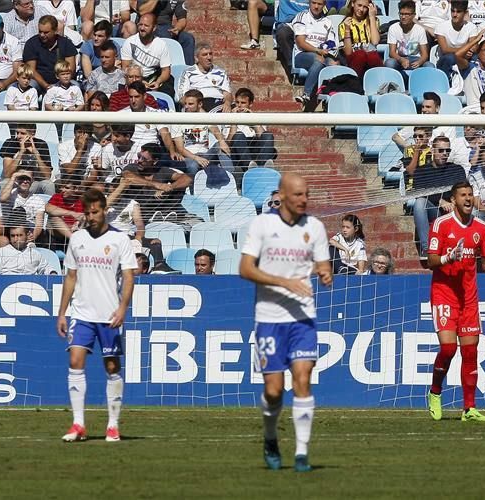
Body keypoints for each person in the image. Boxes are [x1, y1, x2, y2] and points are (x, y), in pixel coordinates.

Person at [239, 172, 333, 472]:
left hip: (302, 317)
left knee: (303, 380)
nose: (304, 199)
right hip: (269, 318)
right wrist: (284, 282)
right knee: (274, 391)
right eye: (297, 195)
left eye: (306, 194)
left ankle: (302, 453)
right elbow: (245, 269)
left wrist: (324, 272)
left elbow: (322, 263)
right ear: (282, 195)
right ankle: (270, 437)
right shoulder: (262, 224)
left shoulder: (315, 227)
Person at [426, 182, 485, 422]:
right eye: (462, 195)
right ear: (454, 200)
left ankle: (469, 409)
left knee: (470, 351)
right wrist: (447, 257)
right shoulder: (441, 225)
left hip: (469, 297)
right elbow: (431, 261)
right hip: (444, 293)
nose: (467, 198)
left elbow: (483, 266)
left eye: (470, 195)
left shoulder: (482, 229)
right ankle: (435, 392)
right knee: (448, 348)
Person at [57, 189, 137, 443]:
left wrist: (123, 308)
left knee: (112, 367)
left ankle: (112, 425)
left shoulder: (120, 239)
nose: (91, 217)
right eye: (87, 212)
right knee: (75, 361)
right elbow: (71, 276)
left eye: (95, 212)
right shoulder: (77, 238)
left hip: (108, 313)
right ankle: (78, 423)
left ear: (104, 211)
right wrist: (62, 313)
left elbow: (128, 276)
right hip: (81, 313)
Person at [292, 0, 339, 107]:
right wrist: (317, 50)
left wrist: (327, 48)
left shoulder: (327, 21)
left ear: (324, 5)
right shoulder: (302, 16)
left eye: (319, 4)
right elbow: (301, 43)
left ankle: (333, 96)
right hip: (302, 55)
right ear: (309, 3)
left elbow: (331, 43)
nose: (316, 6)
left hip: (322, 54)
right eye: (314, 3)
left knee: (334, 64)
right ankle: (306, 94)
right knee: (319, 59)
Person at [119, 14, 172, 96]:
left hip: (153, 77)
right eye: (140, 25)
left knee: (168, 86)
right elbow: (125, 67)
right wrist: (138, 81)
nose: (142, 28)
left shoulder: (161, 45)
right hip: (134, 76)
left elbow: (166, 70)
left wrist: (158, 82)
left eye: (146, 26)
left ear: (154, 28)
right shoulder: (130, 42)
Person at [175, 43, 232, 111]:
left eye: (210, 54)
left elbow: (227, 94)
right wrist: (197, 107)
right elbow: (182, 97)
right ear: (196, 58)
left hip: (218, 102)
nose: (209, 58)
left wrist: (227, 103)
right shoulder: (188, 73)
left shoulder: (221, 72)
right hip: (199, 103)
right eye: (205, 55)